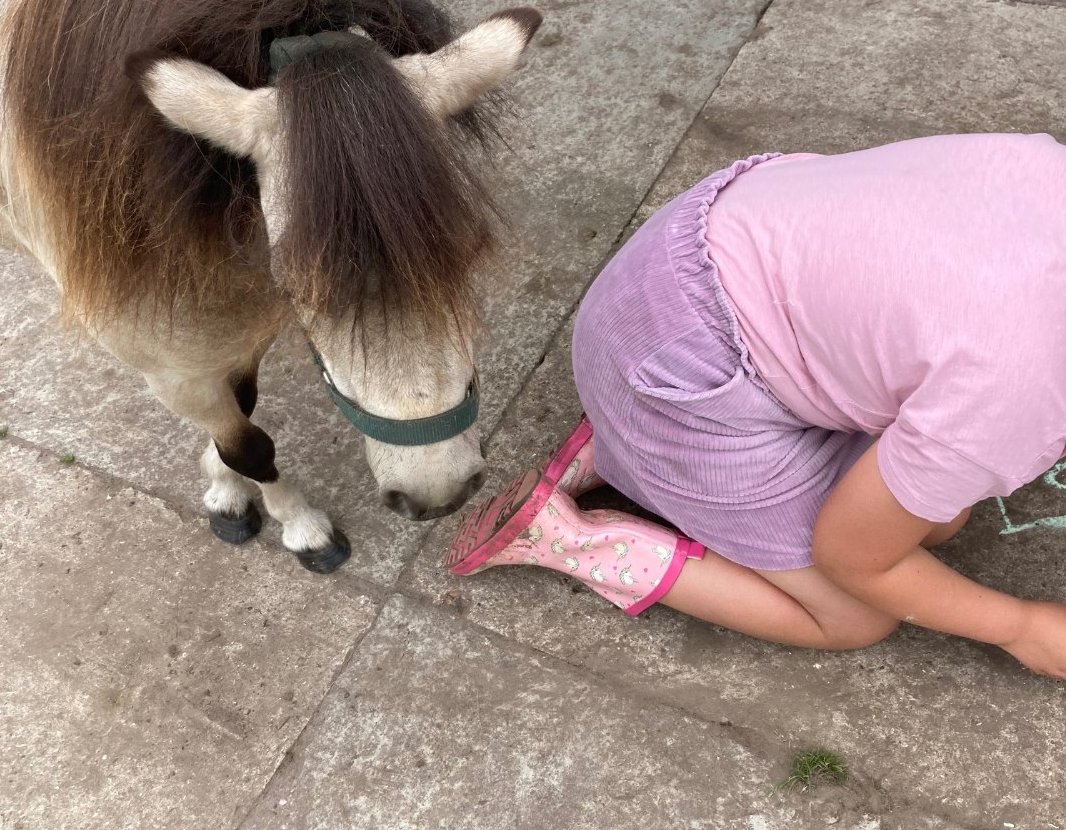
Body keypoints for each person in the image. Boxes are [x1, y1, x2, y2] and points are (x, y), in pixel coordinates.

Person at [444, 135, 1066, 681]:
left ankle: (624, 443)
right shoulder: (1024, 390)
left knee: (938, 518)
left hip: (682, 265)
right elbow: (852, 558)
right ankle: (572, 535)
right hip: (672, 380)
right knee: (856, 613)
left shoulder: (1047, 170)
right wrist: (1019, 625)